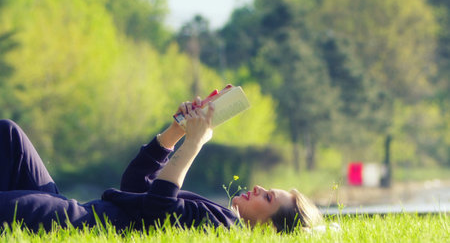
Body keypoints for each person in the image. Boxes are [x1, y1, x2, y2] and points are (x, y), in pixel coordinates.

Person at [0, 97, 322, 233]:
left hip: (80, 220)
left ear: (269, 229)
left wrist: (195, 143)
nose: (258, 188)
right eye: (267, 189)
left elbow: (158, 207)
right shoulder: (220, 214)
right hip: (77, 206)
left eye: (268, 198)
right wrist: (176, 132)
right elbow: (135, 184)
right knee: (9, 134)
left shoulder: (223, 227)